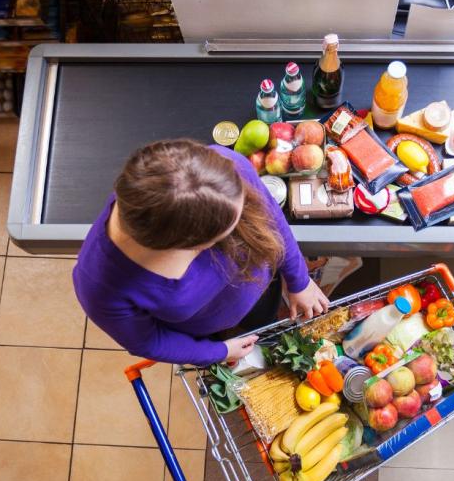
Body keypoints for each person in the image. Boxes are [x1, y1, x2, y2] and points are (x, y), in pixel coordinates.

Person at [72, 139, 329, 365]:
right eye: (228, 232)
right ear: (192, 247)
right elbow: (148, 341)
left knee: (263, 315)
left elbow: (270, 216)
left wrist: (299, 280)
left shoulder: (220, 169)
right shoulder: (100, 289)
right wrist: (218, 351)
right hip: (205, 327)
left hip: (260, 291)